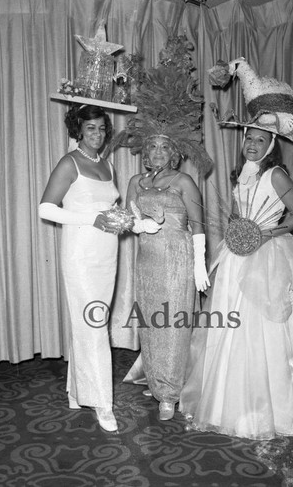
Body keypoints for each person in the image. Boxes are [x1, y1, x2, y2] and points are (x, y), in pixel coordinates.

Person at [179, 125, 293, 439]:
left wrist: (264, 234)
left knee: (268, 327)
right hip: (237, 255)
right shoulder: (240, 174)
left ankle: (277, 409)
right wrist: (237, 233)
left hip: (270, 252)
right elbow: (238, 215)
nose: (253, 144)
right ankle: (226, 404)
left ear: (270, 146)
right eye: (249, 139)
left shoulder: (276, 174)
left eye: (260, 140)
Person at [38, 104, 122, 433]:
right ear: (78, 130)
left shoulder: (107, 165)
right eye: (90, 129)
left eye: (102, 129)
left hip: (107, 252)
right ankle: (103, 402)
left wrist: (121, 220)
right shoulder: (69, 162)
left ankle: (78, 392)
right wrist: (92, 218)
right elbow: (46, 208)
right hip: (80, 254)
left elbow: (107, 207)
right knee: (93, 323)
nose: (97, 135)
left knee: (88, 324)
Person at [124, 134, 210, 421]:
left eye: (164, 146)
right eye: (152, 146)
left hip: (177, 258)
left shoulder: (184, 181)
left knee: (173, 324)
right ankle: (156, 379)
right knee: (150, 323)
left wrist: (199, 265)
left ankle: (170, 394)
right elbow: (128, 219)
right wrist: (140, 226)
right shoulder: (137, 182)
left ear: (173, 152)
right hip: (147, 260)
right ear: (145, 152)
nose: (158, 151)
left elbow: (197, 224)